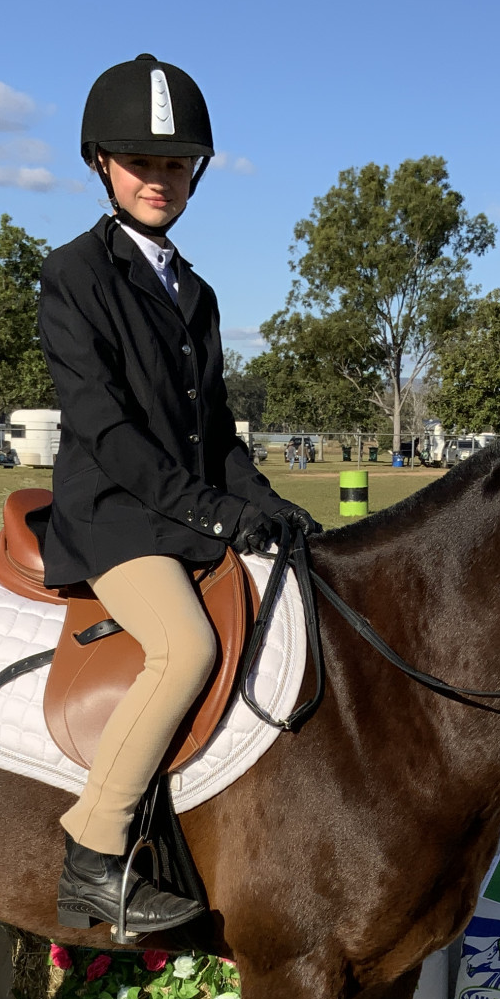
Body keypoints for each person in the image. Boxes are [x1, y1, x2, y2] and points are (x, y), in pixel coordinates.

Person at [36, 54, 320, 938]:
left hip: (182, 506)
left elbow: (216, 435)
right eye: (140, 161)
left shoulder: (194, 290)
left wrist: (270, 507)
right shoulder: (73, 275)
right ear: (101, 166)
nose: (158, 179)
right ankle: (92, 856)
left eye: (173, 163)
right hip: (114, 512)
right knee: (186, 647)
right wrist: (211, 513)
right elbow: (106, 429)